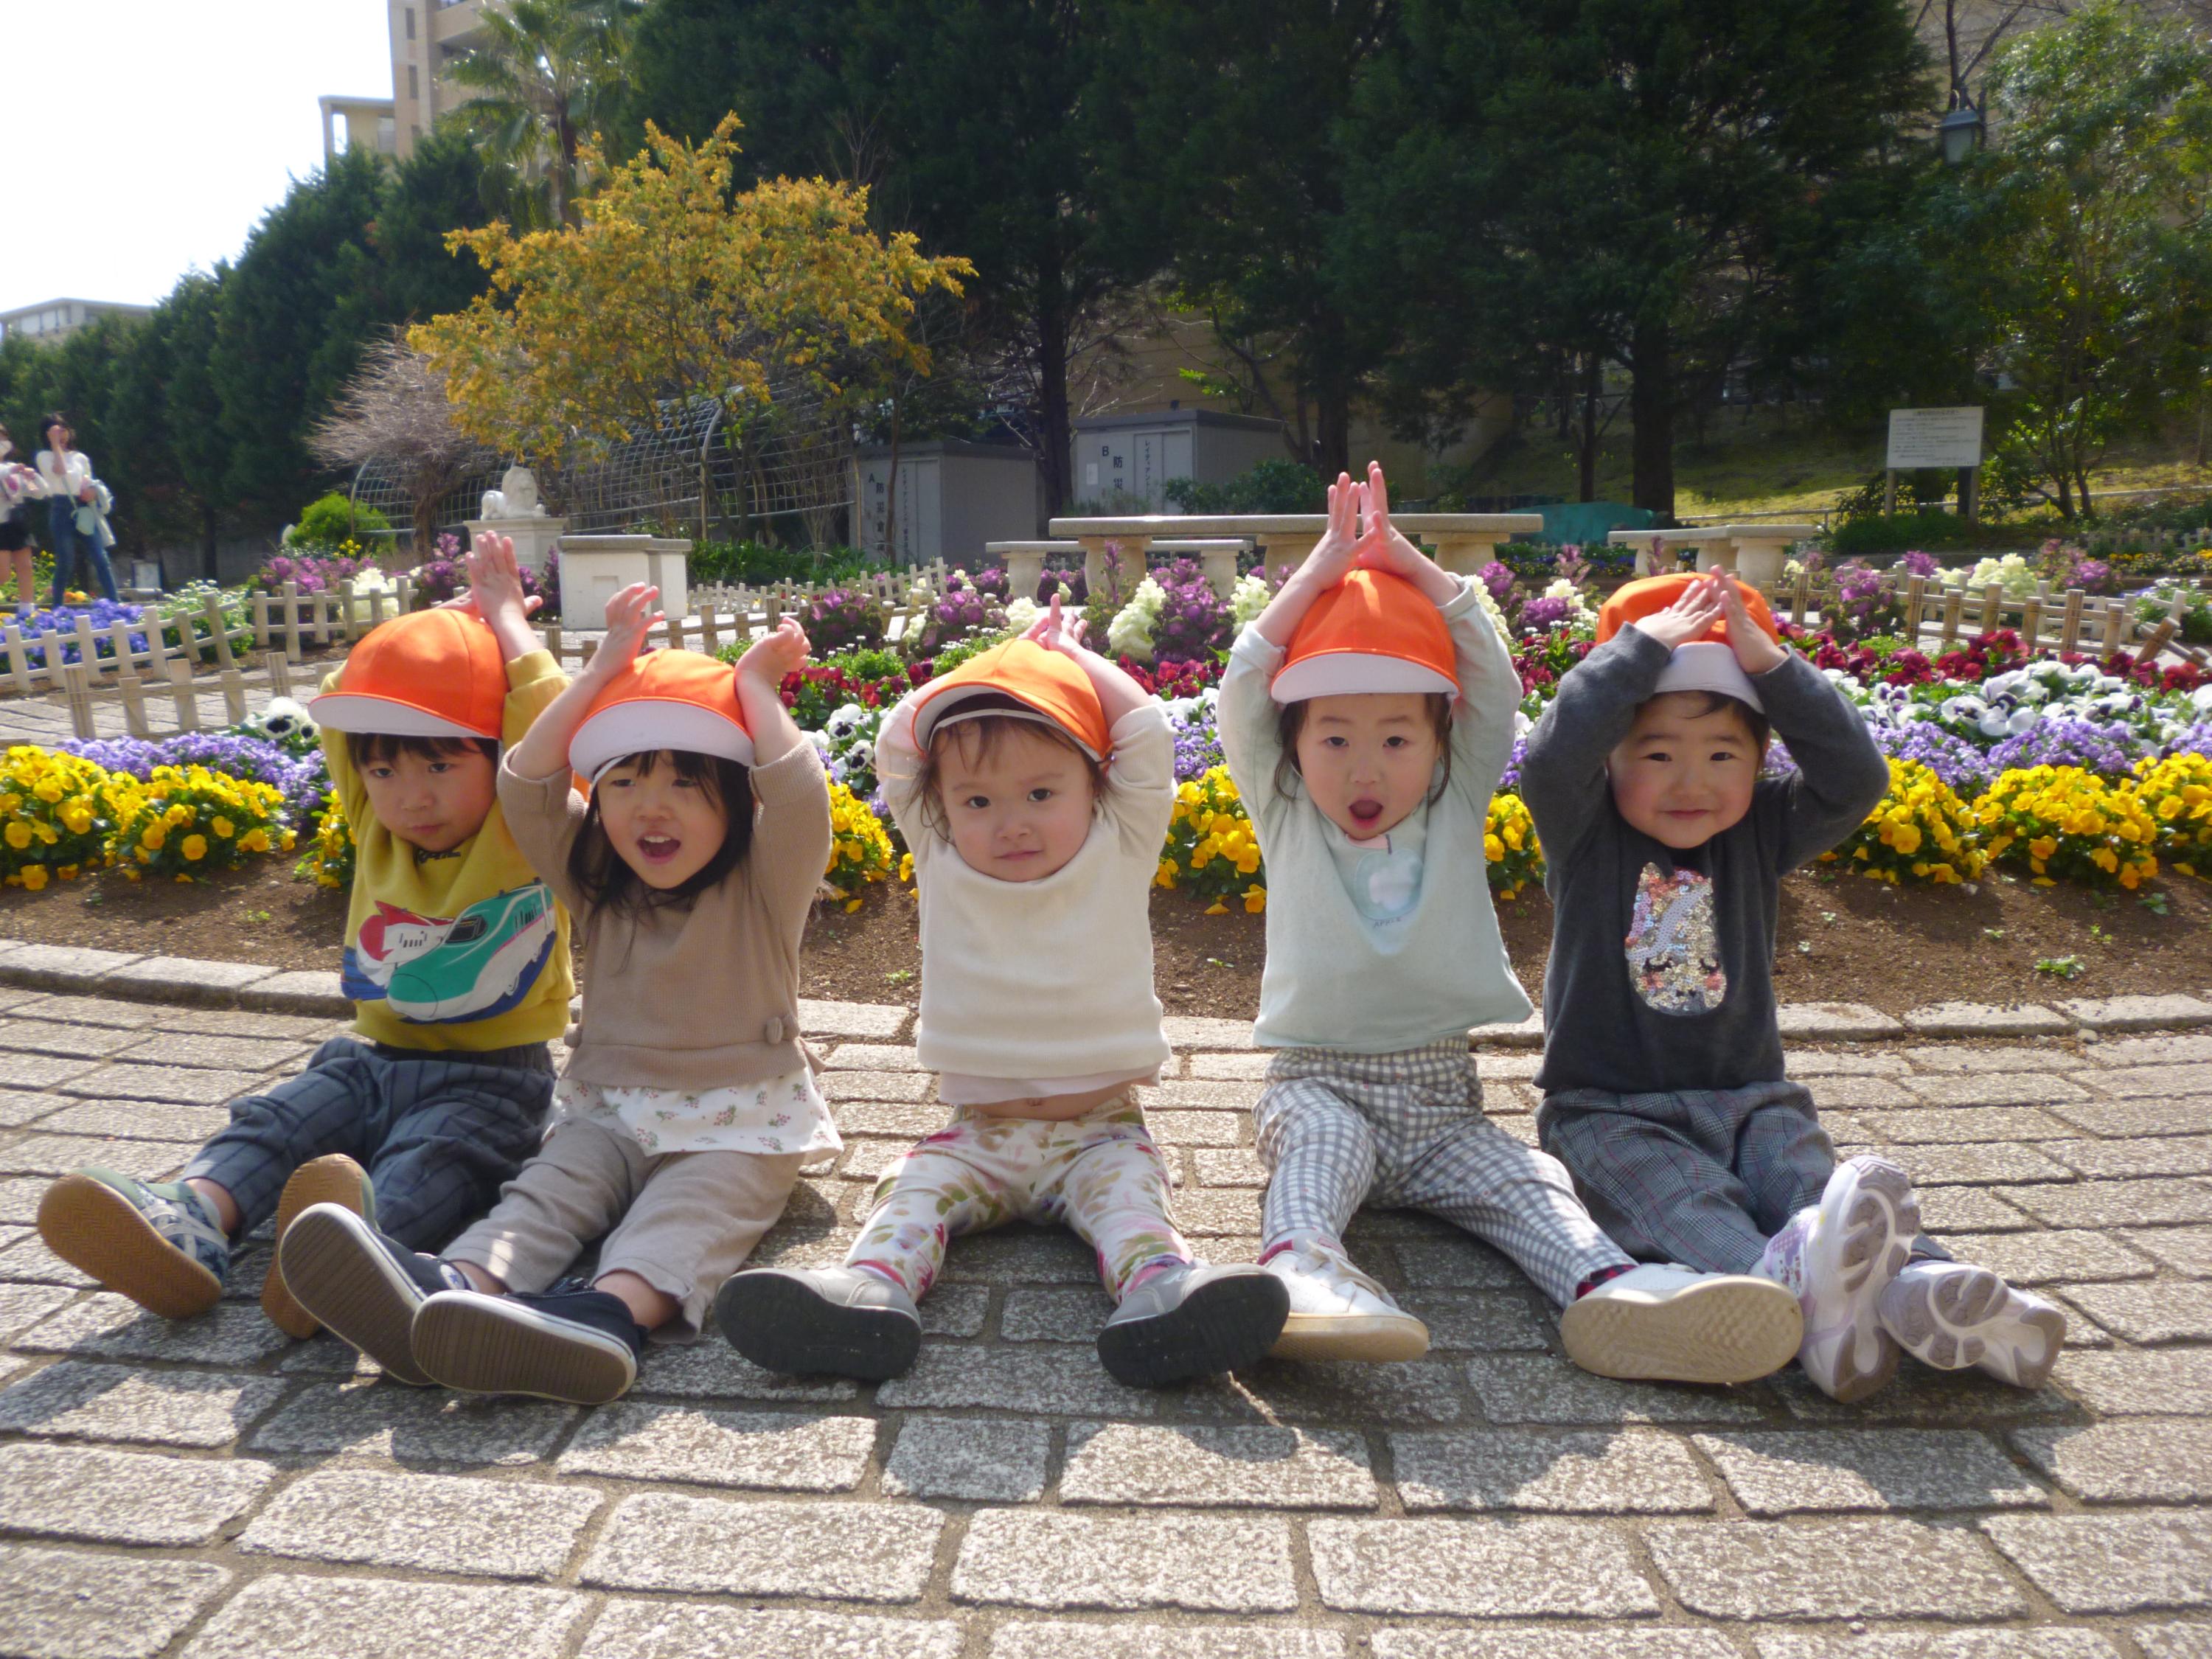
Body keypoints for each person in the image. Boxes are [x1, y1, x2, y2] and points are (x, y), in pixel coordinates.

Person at [1222, 465, 1804, 1385]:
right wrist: (1327, 566)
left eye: (1397, 739)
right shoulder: (1285, 812)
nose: (1364, 770)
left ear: (1442, 745)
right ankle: (1302, 1272)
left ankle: (1614, 1290)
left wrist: (1412, 565)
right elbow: (1244, 683)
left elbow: (1488, 681)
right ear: (1291, 748)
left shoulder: (1451, 808)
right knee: (1320, 1155)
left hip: (1445, 1105)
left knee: (1534, 1186)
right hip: (1319, 1084)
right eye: (1333, 737)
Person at [279, 540, 835, 1406]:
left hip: (740, 1123)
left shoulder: (765, 883)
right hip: (609, 1109)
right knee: (543, 1194)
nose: (650, 807)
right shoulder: (595, 880)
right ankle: (451, 1292)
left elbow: (801, 795)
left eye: (688, 785)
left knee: (681, 1224)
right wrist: (603, 669)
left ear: (735, 808)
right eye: (625, 785)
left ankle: (602, 1321)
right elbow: (528, 783)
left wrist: (756, 691)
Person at [1520, 570, 2067, 1400]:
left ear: (1761, 760)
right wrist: (1643, 649)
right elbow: (1552, 758)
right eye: (1658, 754)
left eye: (1722, 755)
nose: (1691, 783)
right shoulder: (1587, 831)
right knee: (1684, 1205)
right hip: (1609, 1109)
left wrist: (1772, 668)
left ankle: (1924, 1287)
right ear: (1612, 760)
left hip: (1753, 1098)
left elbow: (1856, 779)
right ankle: (1785, 1285)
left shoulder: (1765, 828)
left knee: (1816, 1190)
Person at [717, 599, 1289, 1388]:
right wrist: (991, 669)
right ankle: (869, 1293)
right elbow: (896, 745)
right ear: (944, 808)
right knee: (911, 1192)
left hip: (1101, 1133)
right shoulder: (942, 856)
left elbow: (1147, 732)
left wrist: (1063, 658)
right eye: (978, 802)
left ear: (1094, 788)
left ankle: (1163, 1298)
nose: (1009, 822)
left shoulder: (1119, 844)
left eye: (1040, 795)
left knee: (1135, 1213)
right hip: (977, 1136)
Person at [37, 546, 573, 1350]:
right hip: (371, 1060)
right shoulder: (373, 825)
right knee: (278, 1121)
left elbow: (547, 715)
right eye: (386, 770)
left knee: (429, 1163)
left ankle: (345, 1258)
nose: (411, 794)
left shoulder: (521, 824)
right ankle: (196, 1216)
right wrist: (442, 627)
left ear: (497, 759)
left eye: (438, 763)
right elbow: (347, 698)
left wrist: (498, 626)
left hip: (492, 1085)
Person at [34, 414, 118, 605]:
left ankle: (115, 603)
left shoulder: (80, 458)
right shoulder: (44, 456)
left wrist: (92, 492)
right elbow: (59, 471)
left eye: (64, 430)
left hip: (83, 508)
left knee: (100, 556)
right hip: (60, 508)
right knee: (66, 562)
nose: (62, 435)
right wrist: (55, 446)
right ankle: (57, 607)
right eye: (56, 431)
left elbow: (88, 481)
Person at [0, 425, 41, 608]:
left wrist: (34, 478)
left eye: (3, 439)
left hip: (17, 523)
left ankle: (27, 611)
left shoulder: (13, 468)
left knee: (25, 566)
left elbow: (41, 493)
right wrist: (13, 470)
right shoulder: (10, 469)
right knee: (3, 574)